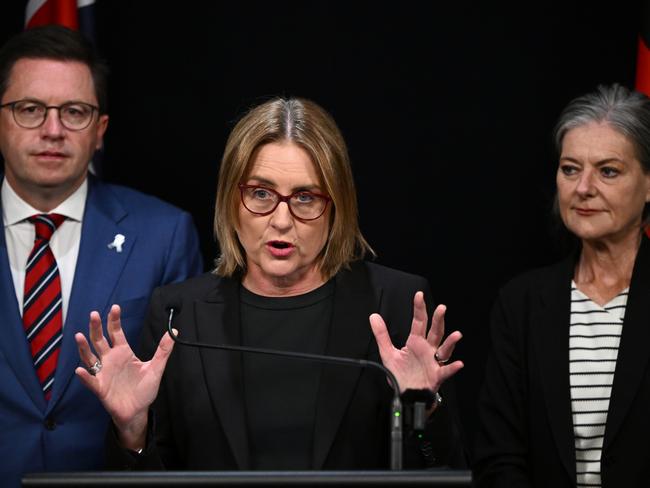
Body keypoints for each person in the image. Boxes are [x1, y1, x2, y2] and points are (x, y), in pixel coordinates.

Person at [74, 96, 467, 471]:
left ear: (337, 205)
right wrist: (132, 429)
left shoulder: (395, 303)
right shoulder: (179, 314)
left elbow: (442, 469)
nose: (281, 220)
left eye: (305, 197)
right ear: (231, 200)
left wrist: (424, 409)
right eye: (260, 193)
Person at [0, 25, 203, 487]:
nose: (53, 130)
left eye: (74, 112)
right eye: (30, 110)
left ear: (100, 131)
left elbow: (186, 407)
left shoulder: (164, 235)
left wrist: (133, 433)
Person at [473, 83, 650, 487]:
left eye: (608, 171)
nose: (583, 188)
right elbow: (499, 458)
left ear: (648, 184)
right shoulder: (521, 303)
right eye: (570, 169)